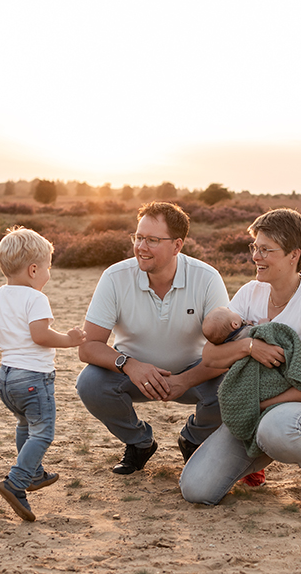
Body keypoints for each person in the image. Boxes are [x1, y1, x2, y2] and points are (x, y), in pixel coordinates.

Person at [179, 208, 301, 509]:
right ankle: (253, 465)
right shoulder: (250, 293)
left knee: (274, 428)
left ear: (293, 255)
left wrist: (262, 404)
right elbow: (210, 356)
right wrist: (250, 347)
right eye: (254, 247)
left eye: (266, 250)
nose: (256, 257)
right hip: (256, 413)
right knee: (196, 489)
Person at [76, 201, 230, 475]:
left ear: (177, 245)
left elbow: (226, 352)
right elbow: (88, 347)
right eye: (138, 237)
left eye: (152, 240)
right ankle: (139, 443)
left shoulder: (207, 278)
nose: (141, 247)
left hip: (194, 374)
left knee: (234, 385)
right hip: (131, 374)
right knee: (90, 383)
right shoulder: (114, 277)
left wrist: (184, 380)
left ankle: (194, 440)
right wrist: (130, 365)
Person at [0, 226, 86, 522]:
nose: (48, 274)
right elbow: (40, 335)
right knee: (43, 432)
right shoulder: (36, 298)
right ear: (33, 270)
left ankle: (33, 473)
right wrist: (69, 340)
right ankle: (17, 481)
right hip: (33, 379)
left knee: (25, 424)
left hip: (6, 379)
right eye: (48, 267)